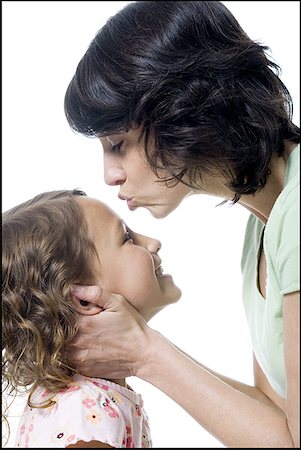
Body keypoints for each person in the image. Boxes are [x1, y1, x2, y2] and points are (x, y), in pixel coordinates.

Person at [63, 1, 300, 447]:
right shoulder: (263, 226)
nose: (109, 176)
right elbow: (276, 413)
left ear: (182, 109)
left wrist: (144, 354)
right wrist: (141, 347)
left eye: (117, 143)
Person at [2, 188, 182, 448]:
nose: (153, 242)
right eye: (127, 238)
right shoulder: (86, 415)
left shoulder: (84, 399)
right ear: (83, 298)